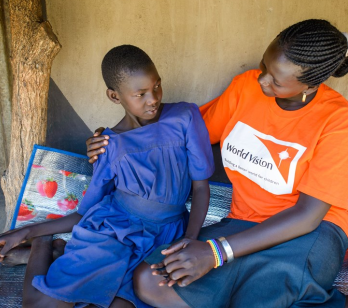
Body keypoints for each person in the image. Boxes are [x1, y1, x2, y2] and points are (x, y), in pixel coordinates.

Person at [86, 19, 348, 308]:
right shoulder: (246, 87)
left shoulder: (338, 119)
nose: (262, 80)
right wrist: (114, 138)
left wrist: (216, 253)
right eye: (264, 66)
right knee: (151, 280)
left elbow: (307, 216)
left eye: (275, 80)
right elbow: (182, 130)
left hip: (310, 233)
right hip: (244, 222)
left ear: (309, 86)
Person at [0, 45, 214, 308]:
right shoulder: (107, 144)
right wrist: (27, 232)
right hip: (112, 230)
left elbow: (201, 188)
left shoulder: (185, 116)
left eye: (157, 86)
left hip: (166, 234)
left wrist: (189, 238)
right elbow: (84, 213)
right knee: (41, 306)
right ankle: (42, 245)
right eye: (141, 94)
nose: (153, 99)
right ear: (115, 96)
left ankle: (61, 254)